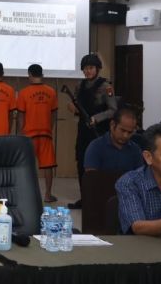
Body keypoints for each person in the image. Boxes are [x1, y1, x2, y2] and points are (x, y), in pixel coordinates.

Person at [66, 53, 116, 208]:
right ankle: (85, 198)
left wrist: (96, 118)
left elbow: (113, 110)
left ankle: (99, 198)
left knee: (99, 164)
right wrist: (72, 108)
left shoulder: (106, 86)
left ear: (97, 69)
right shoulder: (79, 85)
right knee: (81, 162)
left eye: (91, 68)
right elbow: (75, 105)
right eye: (85, 68)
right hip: (83, 130)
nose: (87, 71)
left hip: (99, 131)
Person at [16, 63, 59, 203]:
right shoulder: (51, 92)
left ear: (29, 75)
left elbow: (21, 116)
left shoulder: (23, 93)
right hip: (46, 133)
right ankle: (48, 194)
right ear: (42, 74)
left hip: (29, 135)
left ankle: (26, 194)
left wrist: (20, 133)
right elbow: (54, 114)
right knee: (48, 165)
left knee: (26, 165)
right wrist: (49, 128)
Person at [83, 104, 144, 173]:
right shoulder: (96, 147)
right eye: (122, 130)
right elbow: (91, 177)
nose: (125, 136)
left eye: (130, 132)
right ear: (112, 125)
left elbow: (140, 176)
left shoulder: (135, 150)